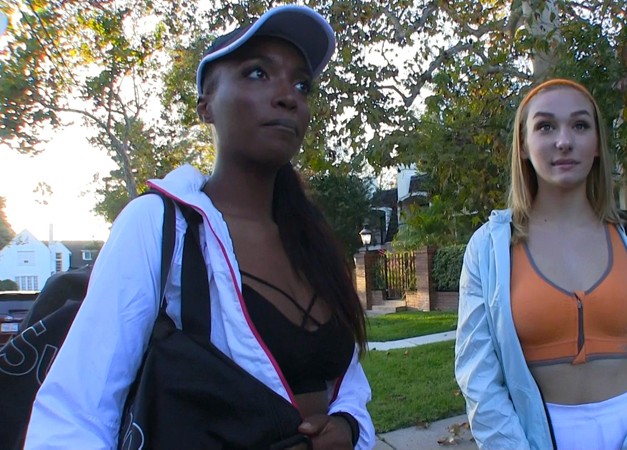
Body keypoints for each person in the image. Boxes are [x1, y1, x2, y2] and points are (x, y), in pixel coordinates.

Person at [25, 5, 374, 449]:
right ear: (205, 106)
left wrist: (348, 425)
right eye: (257, 73)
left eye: (301, 84)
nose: (288, 96)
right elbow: (75, 415)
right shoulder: (159, 227)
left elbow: (348, 383)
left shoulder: (313, 242)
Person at [454, 78, 627, 449]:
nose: (564, 141)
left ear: (597, 144)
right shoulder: (489, 248)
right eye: (545, 126)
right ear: (523, 145)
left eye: (580, 125)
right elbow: (478, 378)